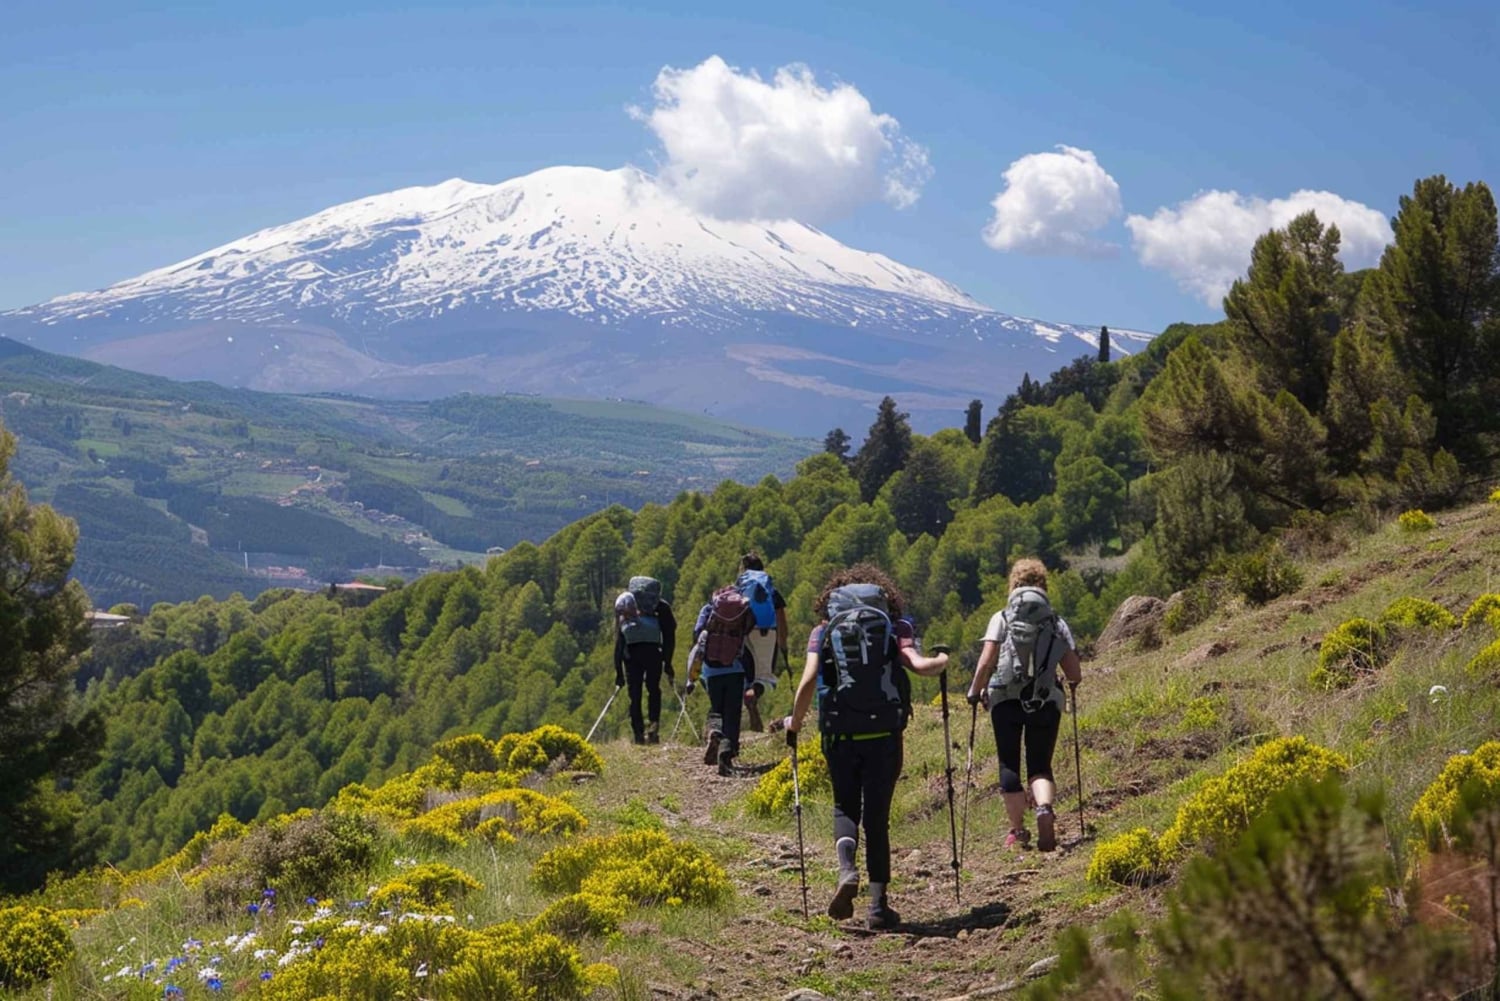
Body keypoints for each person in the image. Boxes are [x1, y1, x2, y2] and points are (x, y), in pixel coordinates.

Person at [783, 563, 949, 930]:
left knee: (844, 803)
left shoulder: (823, 630)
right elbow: (917, 665)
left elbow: (810, 679)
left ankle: (846, 869)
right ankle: (878, 908)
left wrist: (794, 722)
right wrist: (942, 661)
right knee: (877, 817)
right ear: (886, 597)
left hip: (839, 731)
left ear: (831, 599)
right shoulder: (896, 626)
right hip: (885, 733)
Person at [965, 558, 1082, 852]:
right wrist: (1071, 684)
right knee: (1040, 764)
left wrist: (974, 691)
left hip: (1005, 699)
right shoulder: (1055, 621)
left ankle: (1018, 831)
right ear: (1043, 586)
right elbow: (1074, 672)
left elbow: (987, 659)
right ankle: (1044, 807)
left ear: (1013, 586)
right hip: (1045, 699)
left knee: (1009, 762)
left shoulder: (1001, 618)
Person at [689, 583, 757, 775]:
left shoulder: (709, 608)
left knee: (716, 708)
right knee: (732, 713)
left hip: (711, 670)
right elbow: (750, 627)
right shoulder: (743, 608)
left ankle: (713, 732)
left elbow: (697, 632)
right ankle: (726, 756)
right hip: (735, 668)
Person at [614, 577, 677, 745]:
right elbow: (669, 637)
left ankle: (638, 734)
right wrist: (668, 663)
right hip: (653, 653)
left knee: (634, 695)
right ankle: (653, 730)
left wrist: (618, 672)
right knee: (653, 690)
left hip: (630, 655)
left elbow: (619, 641)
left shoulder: (627, 605)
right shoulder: (661, 607)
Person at [736, 552, 789, 732]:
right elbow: (781, 617)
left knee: (746, 674)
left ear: (744, 568)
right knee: (764, 676)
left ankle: (747, 707)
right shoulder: (770, 590)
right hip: (767, 634)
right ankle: (752, 696)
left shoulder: (740, 587)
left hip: (744, 633)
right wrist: (783, 642)